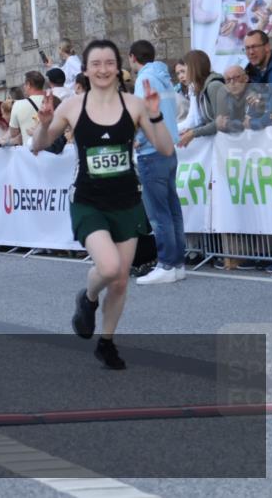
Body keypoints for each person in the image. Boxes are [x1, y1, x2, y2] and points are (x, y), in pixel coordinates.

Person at [30, 39, 173, 370]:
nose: (103, 69)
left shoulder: (135, 104)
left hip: (127, 200)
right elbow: (38, 146)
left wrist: (155, 115)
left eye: (109, 63)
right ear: (86, 69)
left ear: (118, 67)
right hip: (89, 201)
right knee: (109, 268)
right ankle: (88, 298)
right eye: (96, 64)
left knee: (122, 279)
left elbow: (165, 148)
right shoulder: (73, 106)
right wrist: (45, 121)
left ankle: (106, 342)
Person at [128, 40, 185, 285]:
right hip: (169, 147)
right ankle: (177, 263)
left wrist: (138, 138)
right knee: (172, 210)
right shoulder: (164, 77)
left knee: (158, 213)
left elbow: (144, 112)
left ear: (132, 57)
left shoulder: (144, 79)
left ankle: (166, 264)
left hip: (152, 149)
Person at [177, 50, 228, 147]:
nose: (182, 74)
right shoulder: (200, 89)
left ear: (194, 68)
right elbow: (208, 121)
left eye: (185, 68)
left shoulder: (214, 86)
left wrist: (194, 133)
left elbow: (222, 122)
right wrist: (193, 130)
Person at [243, 29, 272, 127]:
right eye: (247, 48)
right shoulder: (252, 69)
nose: (251, 52)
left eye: (254, 47)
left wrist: (250, 123)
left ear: (267, 47)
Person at [9, 71, 47, 146]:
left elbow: (13, 133)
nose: (24, 87)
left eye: (25, 84)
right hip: (52, 151)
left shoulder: (18, 104)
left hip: (29, 152)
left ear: (29, 84)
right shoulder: (54, 101)